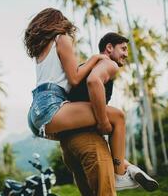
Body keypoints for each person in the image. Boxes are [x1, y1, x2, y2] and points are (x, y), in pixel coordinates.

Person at [24, 8, 158, 192]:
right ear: (58, 22)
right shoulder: (62, 38)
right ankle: (119, 175)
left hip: (35, 114)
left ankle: (124, 165)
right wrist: (95, 57)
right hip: (52, 105)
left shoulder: (42, 50)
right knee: (117, 116)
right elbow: (74, 78)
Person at [58, 32, 159, 195]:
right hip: (87, 139)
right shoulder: (108, 63)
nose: (126, 54)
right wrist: (103, 121)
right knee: (118, 118)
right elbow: (93, 81)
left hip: (68, 144)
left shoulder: (85, 67)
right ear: (109, 48)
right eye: (123, 49)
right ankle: (121, 173)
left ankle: (129, 168)